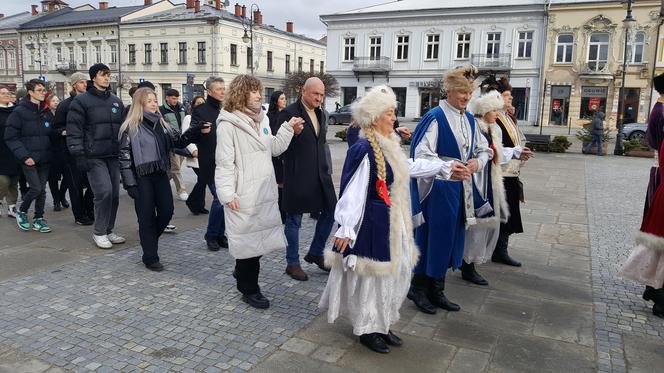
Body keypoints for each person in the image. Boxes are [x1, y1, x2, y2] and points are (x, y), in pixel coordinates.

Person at [319, 85, 453, 353]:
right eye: (390, 113)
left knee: (397, 273)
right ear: (376, 116)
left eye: (394, 113)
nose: (394, 118)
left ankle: (383, 322)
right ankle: (367, 328)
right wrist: (345, 228)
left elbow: (408, 167)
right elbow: (352, 192)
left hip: (395, 222)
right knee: (373, 278)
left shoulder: (389, 143)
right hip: (373, 224)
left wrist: (443, 166)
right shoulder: (364, 149)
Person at [408, 66, 492, 314]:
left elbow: (484, 149)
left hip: (461, 188)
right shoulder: (435, 117)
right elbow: (421, 155)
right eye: (462, 92)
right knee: (434, 237)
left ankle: (438, 289)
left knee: (452, 238)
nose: (466, 97)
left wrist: (478, 162)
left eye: (469, 92)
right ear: (450, 90)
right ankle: (419, 288)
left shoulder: (468, 119)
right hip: (439, 189)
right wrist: (447, 167)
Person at [215, 75, 304, 308]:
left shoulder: (261, 119)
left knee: (258, 243)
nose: (258, 95)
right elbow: (224, 163)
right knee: (249, 246)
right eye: (253, 91)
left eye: (259, 91)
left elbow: (273, 149)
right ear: (241, 93)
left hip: (264, 191)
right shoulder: (228, 123)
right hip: (243, 193)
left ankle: (241, 271)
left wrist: (288, 129)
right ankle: (249, 289)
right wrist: (227, 194)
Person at [118, 88, 202, 271]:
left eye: (155, 101)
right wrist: (129, 183)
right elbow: (124, 158)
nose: (154, 104)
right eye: (149, 101)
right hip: (141, 178)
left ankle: (148, 240)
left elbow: (178, 142)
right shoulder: (130, 127)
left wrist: (195, 130)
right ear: (140, 104)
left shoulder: (162, 124)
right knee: (146, 217)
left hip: (161, 174)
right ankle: (150, 256)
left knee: (166, 211)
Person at [461, 89, 533, 286]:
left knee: (485, 225)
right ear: (485, 111)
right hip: (477, 182)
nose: (497, 114)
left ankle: (471, 261)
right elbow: (481, 154)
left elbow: (497, 153)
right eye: (494, 111)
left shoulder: (495, 128)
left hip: (491, 180)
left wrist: (516, 152)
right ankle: (467, 265)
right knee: (475, 225)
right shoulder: (476, 127)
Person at [278, 77, 337, 281]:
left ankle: (316, 252)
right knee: (294, 220)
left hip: (321, 174)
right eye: (315, 94)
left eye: (321, 95)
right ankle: (292, 263)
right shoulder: (289, 113)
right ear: (303, 91)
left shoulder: (322, 114)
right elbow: (277, 147)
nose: (319, 98)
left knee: (332, 211)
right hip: (297, 175)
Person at [66, 63, 126, 249]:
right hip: (93, 156)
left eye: (108, 75)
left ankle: (108, 229)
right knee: (104, 192)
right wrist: (78, 154)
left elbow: (122, 129)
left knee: (115, 195)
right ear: (93, 78)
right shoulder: (81, 101)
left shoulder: (116, 101)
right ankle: (99, 232)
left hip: (112, 155)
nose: (107, 78)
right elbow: (74, 130)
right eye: (102, 75)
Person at [620, 73, 664, 318]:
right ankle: (656, 289)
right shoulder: (660, 111)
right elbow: (655, 141)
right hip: (662, 175)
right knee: (657, 237)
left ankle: (654, 286)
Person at [491, 77, 532, 267]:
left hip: (512, 172)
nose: (510, 99)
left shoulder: (507, 117)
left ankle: (500, 249)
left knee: (510, 212)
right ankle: (498, 251)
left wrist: (521, 153)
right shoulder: (494, 118)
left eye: (510, 96)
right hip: (501, 173)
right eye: (506, 96)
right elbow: (495, 147)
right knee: (502, 213)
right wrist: (515, 153)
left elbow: (516, 140)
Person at [4, 79, 53, 233]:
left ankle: (39, 218)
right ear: (30, 92)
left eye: (44, 90)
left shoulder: (46, 111)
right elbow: (10, 137)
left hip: (45, 158)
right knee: (35, 188)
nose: (43, 93)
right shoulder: (19, 112)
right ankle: (22, 212)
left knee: (42, 190)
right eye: (39, 90)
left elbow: (51, 133)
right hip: (29, 158)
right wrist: (24, 156)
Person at [189, 76, 228, 251]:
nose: (222, 91)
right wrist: (200, 131)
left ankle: (220, 234)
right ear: (210, 91)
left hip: (227, 162)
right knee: (219, 199)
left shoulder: (227, 109)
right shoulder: (200, 110)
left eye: (223, 88)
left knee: (226, 200)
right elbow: (191, 134)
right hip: (210, 163)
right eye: (219, 89)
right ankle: (211, 235)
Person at [55, 72, 95, 225]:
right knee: (75, 185)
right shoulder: (65, 105)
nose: (85, 84)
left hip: (89, 149)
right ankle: (79, 215)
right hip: (70, 151)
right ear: (74, 84)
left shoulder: (89, 102)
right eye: (81, 82)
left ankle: (89, 208)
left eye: (85, 82)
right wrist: (65, 131)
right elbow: (56, 128)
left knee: (93, 183)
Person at [159, 88, 189, 201]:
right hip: (171, 143)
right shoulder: (162, 110)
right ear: (167, 98)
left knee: (173, 169)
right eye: (173, 98)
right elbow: (162, 126)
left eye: (177, 98)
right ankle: (182, 190)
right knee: (176, 168)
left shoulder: (182, 108)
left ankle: (160, 185)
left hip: (183, 141)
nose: (175, 100)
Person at [181, 95, 207, 214]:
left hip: (206, 154)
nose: (201, 105)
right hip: (196, 155)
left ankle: (199, 205)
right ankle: (192, 202)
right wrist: (193, 151)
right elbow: (186, 134)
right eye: (198, 103)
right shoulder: (189, 117)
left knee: (203, 180)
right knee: (203, 179)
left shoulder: (208, 117)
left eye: (203, 102)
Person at [45, 92, 69, 212]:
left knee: (67, 176)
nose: (56, 103)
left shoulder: (62, 113)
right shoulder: (45, 115)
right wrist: (60, 132)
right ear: (48, 102)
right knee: (53, 178)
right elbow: (47, 132)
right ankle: (56, 200)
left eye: (57, 100)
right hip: (51, 150)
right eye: (53, 101)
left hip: (63, 148)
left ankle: (62, 195)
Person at [267, 90, 288, 221]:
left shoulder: (287, 115)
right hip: (275, 153)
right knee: (280, 182)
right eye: (281, 98)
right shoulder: (270, 116)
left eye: (285, 98)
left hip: (286, 152)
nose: (284, 101)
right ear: (276, 101)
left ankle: (284, 208)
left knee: (285, 181)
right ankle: (280, 211)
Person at [0, 86, 18, 218]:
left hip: (15, 150)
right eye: (3, 93)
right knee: (3, 181)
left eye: (8, 93)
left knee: (13, 181)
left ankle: (12, 206)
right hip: (1, 151)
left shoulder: (16, 110)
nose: (6, 95)